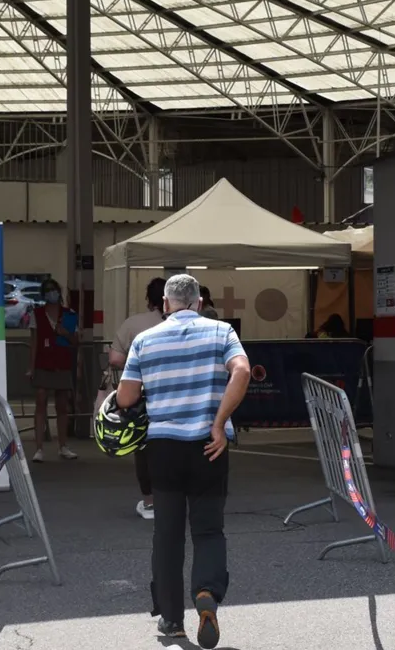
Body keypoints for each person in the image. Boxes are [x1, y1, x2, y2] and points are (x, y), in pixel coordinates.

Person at [117, 274, 251, 648]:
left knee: (168, 536)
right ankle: (206, 593)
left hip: (163, 449)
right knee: (208, 530)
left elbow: (127, 398)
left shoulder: (145, 340)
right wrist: (219, 422)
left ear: (165, 303)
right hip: (209, 446)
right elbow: (241, 371)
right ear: (199, 300)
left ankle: (172, 619)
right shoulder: (222, 332)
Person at [107, 277, 167, 520]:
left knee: (143, 448)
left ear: (148, 299)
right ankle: (177, 498)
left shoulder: (135, 324)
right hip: (179, 394)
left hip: (141, 395)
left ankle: (150, 502)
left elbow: (115, 360)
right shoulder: (191, 324)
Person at [27, 278, 79, 462]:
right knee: (40, 401)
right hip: (43, 362)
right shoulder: (37, 314)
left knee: (62, 405)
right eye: (48, 291)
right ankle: (39, 448)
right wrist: (31, 368)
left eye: (54, 290)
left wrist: (65, 333)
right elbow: (33, 343)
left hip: (62, 362)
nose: (52, 293)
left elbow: (75, 341)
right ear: (44, 294)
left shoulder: (69, 314)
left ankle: (63, 446)